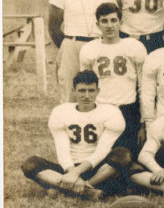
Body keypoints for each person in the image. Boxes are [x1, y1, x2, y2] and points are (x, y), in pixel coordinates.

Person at [21, 70, 131, 199]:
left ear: (98, 91)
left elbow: (102, 151)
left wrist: (76, 174)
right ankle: (87, 192)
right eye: (82, 90)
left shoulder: (111, 112)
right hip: (68, 167)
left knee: (123, 155)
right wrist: (72, 172)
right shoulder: (61, 111)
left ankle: (73, 188)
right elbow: (62, 150)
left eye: (91, 90)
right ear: (74, 91)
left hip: (97, 169)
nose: (86, 95)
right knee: (30, 164)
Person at [48, 0, 115, 103]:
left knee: (102, 96)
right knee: (71, 97)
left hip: (100, 46)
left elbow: (114, 23)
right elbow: (53, 27)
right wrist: (69, 45)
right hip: (72, 44)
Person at [79, 2, 147, 154]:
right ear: (98, 25)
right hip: (101, 108)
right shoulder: (89, 49)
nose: (109, 25)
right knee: (100, 156)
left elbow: (144, 87)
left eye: (113, 20)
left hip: (128, 109)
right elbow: (85, 88)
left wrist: (143, 122)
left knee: (127, 157)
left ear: (120, 23)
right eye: (104, 21)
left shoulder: (134, 46)